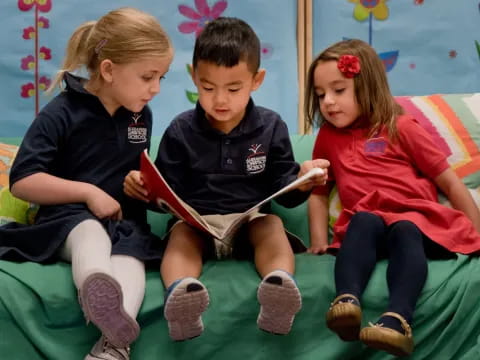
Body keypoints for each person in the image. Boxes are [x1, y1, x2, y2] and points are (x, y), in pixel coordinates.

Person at [124, 17, 329, 341]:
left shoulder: (270, 126)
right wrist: (145, 188)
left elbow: (283, 191)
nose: (220, 100)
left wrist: (302, 182)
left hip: (250, 220)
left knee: (272, 227)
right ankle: (181, 296)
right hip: (196, 223)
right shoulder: (180, 130)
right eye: (208, 88)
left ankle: (277, 288)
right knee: (180, 238)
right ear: (193, 77)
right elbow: (167, 196)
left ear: (256, 80)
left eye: (234, 89)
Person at [0, 7, 173, 360]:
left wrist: (139, 185)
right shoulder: (61, 113)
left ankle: (113, 347)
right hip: (65, 222)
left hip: (124, 224)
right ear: (108, 70)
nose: (155, 89)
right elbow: (22, 180)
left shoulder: (141, 116)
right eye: (147, 77)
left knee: (133, 260)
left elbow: (129, 172)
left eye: (161, 78)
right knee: (89, 232)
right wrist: (88, 192)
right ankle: (95, 284)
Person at [305, 38, 480, 357]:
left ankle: (397, 321)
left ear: (367, 85)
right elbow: (318, 190)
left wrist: (478, 231)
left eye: (338, 90)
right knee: (363, 220)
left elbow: (451, 184)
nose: (328, 102)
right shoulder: (328, 137)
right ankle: (346, 303)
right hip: (368, 223)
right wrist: (318, 240)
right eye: (320, 95)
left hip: (412, 218)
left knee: (405, 230)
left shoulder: (401, 126)